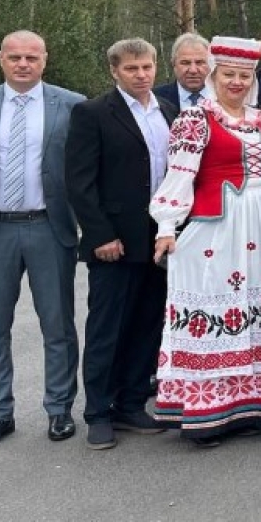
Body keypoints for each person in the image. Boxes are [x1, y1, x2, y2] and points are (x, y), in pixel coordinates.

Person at [150, 37, 261, 447]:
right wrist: (166, 224)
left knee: (253, 306)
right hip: (219, 222)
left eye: (244, 75)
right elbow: (178, 173)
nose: (236, 82)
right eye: (228, 74)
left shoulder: (258, 120)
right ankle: (207, 410)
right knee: (216, 305)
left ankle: (252, 404)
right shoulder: (195, 119)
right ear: (214, 75)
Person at [0, 31, 85, 450]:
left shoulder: (72, 104)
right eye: (15, 57)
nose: (23, 64)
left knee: (58, 324)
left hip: (49, 227)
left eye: (31, 57)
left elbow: (81, 168)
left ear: (45, 60)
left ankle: (59, 407)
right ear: (1, 60)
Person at [65, 39, 177, 450]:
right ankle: (98, 411)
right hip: (113, 242)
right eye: (132, 68)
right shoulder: (92, 113)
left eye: (147, 66)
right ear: (115, 71)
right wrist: (99, 235)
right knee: (106, 328)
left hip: (159, 241)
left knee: (148, 325)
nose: (142, 74)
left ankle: (131, 403)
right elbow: (79, 181)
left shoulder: (168, 111)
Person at [155, 33, 210, 110]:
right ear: (173, 64)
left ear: (211, 64)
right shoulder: (155, 99)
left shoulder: (225, 98)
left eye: (199, 62)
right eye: (185, 63)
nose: (193, 70)